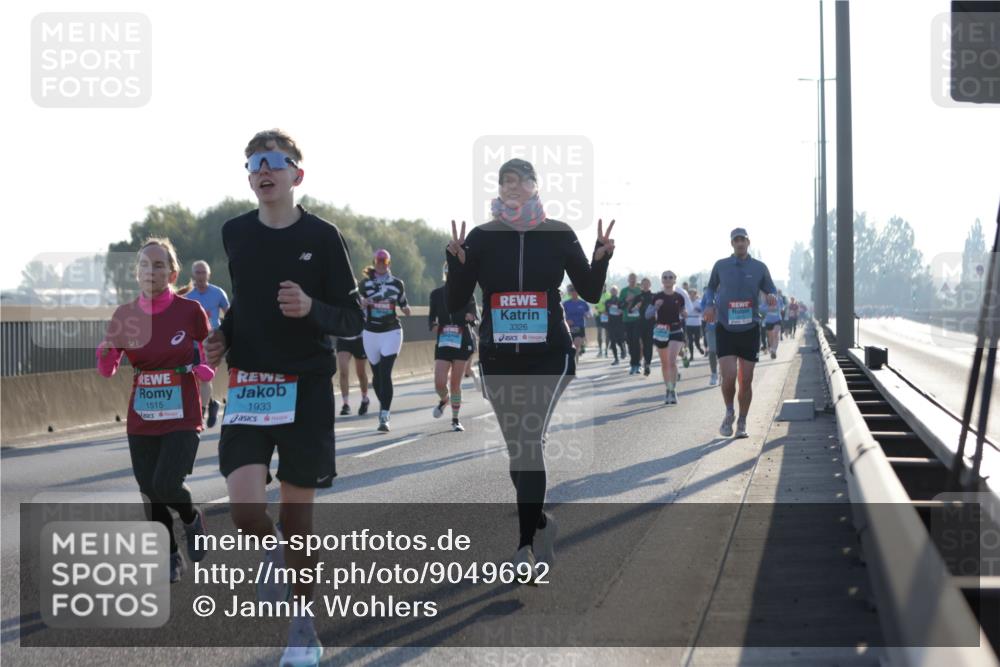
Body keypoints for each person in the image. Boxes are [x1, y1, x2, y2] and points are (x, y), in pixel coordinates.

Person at [204, 129, 364, 666]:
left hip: (306, 389)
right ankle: (273, 548)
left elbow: (353, 317)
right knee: (245, 510)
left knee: (299, 523)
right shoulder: (235, 233)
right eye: (254, 163)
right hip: (250, 385)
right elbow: (245, 303)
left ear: (297, 173)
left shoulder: (323, 236)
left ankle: (303, 629)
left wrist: (311, 308)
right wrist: (224, 335)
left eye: (274, 161)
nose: (263, 170)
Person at [445, 157, 615, 580]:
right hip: (498, 357)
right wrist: (457, 265)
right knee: (517, 453)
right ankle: (540, 523)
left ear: (536, 187)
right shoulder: (481, 237)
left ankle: (524, 548)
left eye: (520, 180)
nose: (512, 187)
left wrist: (600, 259)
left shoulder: (559, 233)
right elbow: (455, 301)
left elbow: (591, 292)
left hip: (549, 356)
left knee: (528, 440)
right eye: (505, 181)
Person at [97, 238, 212, 583]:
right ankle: (170, 556)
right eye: (145, 265)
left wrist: (204, 367)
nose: (151, 271)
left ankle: (190, 518)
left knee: (166, 483)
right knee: (149, 492)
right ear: (137, 273)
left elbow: (206, 353)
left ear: (172, 273)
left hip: (183, 413)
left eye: (159, 265)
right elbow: (108, 369)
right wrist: (105, 352)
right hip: (143, 416)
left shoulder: (190, 311)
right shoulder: (125, 315)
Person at [703, 227, 778, 439]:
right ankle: (729, 412)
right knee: (729, 377)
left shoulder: (759, 267)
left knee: (746, 380)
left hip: (749, 328)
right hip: (725, 327)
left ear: (748, 242)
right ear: (732, 244)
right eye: (736, 240)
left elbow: (771, 289)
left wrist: (771, 296)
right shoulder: (721, 265)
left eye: (742, 240)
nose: (740, 243)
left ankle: (743, 421)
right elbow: (710, 288)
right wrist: (709, 304)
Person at [358, 249, 412, 432]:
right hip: (371, 333)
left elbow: (403, 303)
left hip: (391, 331)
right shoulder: (365, 284)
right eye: (378, 261)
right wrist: (362, 302)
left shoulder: (397, 284)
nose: (381, 264)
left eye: (384, 261)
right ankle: (385, 404)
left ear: (389, 263)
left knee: (385, 372)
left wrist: (406, 309)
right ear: (374, 263)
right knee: (377, 377)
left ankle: (384, 415)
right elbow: (356, 303)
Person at [428, 262, 478, 431]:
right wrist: (435, 325)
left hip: (462, 342)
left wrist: (471, 317)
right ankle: (444, 399)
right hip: (444, 342)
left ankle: (455, 419)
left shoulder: (467, 294)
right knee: (439, 383)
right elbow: (431, 319)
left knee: (455, 383)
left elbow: (475, 317)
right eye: (450, 274)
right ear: (446, 274)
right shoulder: (436, 294)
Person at [180, 260, 229, 428]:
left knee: (205, 376)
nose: (200, 276)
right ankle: (212, 403)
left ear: (209, 274)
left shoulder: (218, 293)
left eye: (203, 273)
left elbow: (229, 315)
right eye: (197, 273)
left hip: (212, 342)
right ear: (193, 275)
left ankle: (201, 410)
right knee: (196, 378)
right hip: (193, 343)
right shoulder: (188, 296)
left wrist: (227, 337)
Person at [646, 271, 687, 404]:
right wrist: (655, 307)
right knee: (665, 364)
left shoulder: (679, 297)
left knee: (672, 361)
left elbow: (683, 311)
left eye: (670, 277)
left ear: (675, 280)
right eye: (665, 277)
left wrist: (684, 313)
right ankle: (668, 389)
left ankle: (673, 390)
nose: (667, 279)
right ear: (662, 280)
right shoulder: (656, 296)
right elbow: (647, 315)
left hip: (676, 330)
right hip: (661, 332)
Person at [336, 329, 370, 416]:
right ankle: (345, 404)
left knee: (361, 373)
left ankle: (365, 399)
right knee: (343, 372)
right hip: (343, 339)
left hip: (359, 339)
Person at [620, 273, 643, 375]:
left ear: (636, 280)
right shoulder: (624, 291)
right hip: (627, 320)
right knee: (630, 342)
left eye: (634, 278)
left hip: (638, 320)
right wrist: (627, 300)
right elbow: (620, 306)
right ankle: (633, 363)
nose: (632, 280)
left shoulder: (640, 291)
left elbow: (645, 304)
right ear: (628, 280)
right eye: (631, 278)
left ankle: (636, 365)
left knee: (636, 341)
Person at [562, 284, 590, 362]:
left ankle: (575, 362)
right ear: (570, 293)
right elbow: (561, 315)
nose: (574, 293)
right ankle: (573, 361)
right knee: (572, 346)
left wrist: (587, 315)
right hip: (569, 327)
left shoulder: (583, 303)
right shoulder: (566, 304)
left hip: (579, 326)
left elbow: (589, 314)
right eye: (572, 291)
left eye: (575, 291)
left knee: (577, 345)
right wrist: (566, 321)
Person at [637, 277, 656, 376]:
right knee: (641, 345)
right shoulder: (638, 297)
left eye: (647, 283)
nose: (645, 285)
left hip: (651, 324)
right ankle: (643, 361)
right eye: (643, 283)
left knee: (649, 345)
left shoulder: (654, 296)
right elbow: (630, 309)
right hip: (640, 323)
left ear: (650, 284)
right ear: (641, 285)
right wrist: (635, 307)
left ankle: (647, 364)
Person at [604, 285, 627, 365]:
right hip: (611, 323)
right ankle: (616, 359)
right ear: (610, 292)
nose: (613, 292)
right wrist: (605, 314)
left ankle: (623, 349)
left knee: (619, 340)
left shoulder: (620, 301)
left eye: (615, 290)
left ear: (617, 292)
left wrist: (621, 311)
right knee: (612, 341)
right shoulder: (607, 301)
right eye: (612, 290)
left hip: (619, 323)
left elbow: (624, 309)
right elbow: (606, 311)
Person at [684, 287, 705, 360]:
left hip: (697, 323)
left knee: (696, 341)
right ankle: (691, 356)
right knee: (690, 340)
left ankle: (699, 348)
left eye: (693, 294)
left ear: (696, 295)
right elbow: (683, 311)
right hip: (689, 322)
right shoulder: (687, 303)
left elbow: (703, 312)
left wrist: (698, 310)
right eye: (690, 294)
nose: (691, 296)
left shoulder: (699, 302)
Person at [762, 289, 783, 359]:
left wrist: (778, 307)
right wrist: (768, 308)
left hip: (777, 320)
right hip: (768, 321)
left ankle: (774, 350)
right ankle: (772, 349)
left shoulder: (779, 299)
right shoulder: (767, 300)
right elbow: (761, 308)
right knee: (770, 336)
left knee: (776, 334)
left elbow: (782, 307)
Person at [594, 283, 612, 357]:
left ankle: (606, 350)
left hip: (607, 316)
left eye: (603, 286)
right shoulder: (596, 294)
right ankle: (600, 350)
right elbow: (595, 306)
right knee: (599, 333)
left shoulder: (609, 295)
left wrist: (607, 312)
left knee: (607, 334)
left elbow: (611, 305)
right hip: (599, 316)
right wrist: (600, 311)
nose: (602, 288)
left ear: (605, 287)